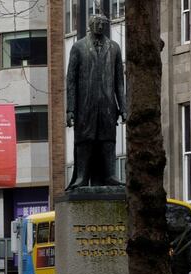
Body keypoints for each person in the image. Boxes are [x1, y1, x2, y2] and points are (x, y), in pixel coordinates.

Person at [65, 13, 127, 189]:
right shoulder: (78, 47)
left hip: (107, 105)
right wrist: (70, 109)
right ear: (90, 25)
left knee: (108, 140)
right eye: (97, 23)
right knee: (85, 139)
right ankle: (82, 177)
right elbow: (71, 81)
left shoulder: (114, 48)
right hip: (85, 105)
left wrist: (123, 107)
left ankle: (110, 175)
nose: (100, 26)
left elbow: (119, 82)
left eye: (103, 23)